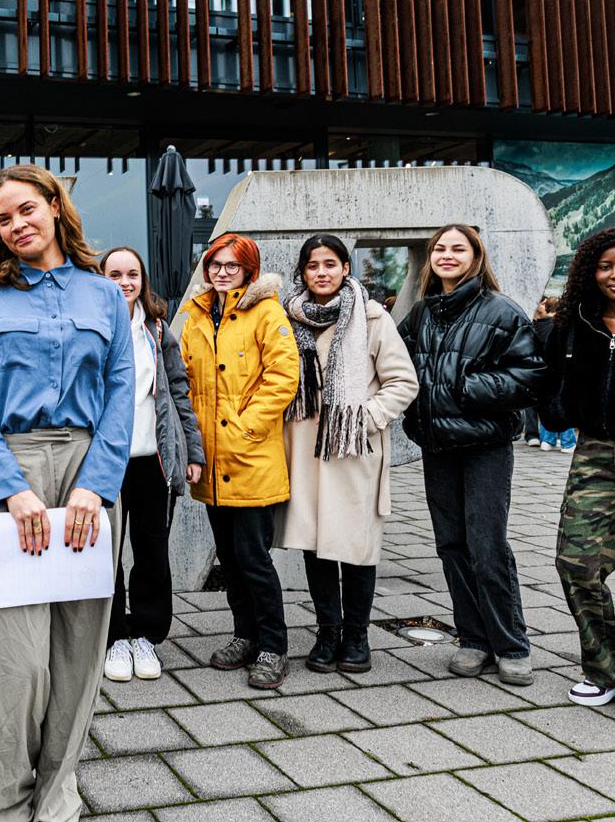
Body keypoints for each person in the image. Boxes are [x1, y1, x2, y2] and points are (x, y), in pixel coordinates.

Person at [0, 165, 134, 822]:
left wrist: (98, 482)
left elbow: (122, 386)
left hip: (89, 476)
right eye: (3, 219)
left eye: (27, 209)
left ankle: (58, 801)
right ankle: (3, 802)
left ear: (56, 208)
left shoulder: (103, 293)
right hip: (10, 470)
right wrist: (10, 488)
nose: (17, 225)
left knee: (77, 654)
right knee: (15, 659)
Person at [400, 223, 544, 686]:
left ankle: (511, 644)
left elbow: (530, 376)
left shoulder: (501, 311)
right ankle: (473, 639)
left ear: (476, 257)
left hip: (485, 446)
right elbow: (395, 362)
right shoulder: (422, 313)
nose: (446, 255)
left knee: (487, 546)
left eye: (457, 248)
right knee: (451, 545)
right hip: (437, 445)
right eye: (439, 248)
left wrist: (463, 386)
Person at [275, 235, 418, 675]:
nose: (321, 272)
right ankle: (327, 632)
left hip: (353, 450)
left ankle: (357, 636)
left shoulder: (371, 317)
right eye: (313, 265)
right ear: (302, 272)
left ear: (345, 268)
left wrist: (364, 418)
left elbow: (403, 381)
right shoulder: (288, 318)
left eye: (330, 264)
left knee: (356, 545)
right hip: (304, 450)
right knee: (315, 545)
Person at [539, 227, 615, 725]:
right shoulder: (574, 324)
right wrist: (556, 409)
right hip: (593, 452)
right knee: (577, 563)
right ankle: (606, 667)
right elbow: (549, 379)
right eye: (605, 266)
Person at [180, 235, 300, 690]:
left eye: (232, 265)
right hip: (212, 462)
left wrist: (246, 427)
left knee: (253, 559)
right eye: (216, 264)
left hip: (250, 457)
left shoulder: (266, 311)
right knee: (229, 560)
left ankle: (273, 646)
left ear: (250, 270)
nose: (222, 272)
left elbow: (283, 376)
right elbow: (186, 378)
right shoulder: (196, 314)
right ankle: (244, 635)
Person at [99, 246, 204, 682]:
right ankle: (112, 638)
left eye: (132, 275)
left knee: (152, 553)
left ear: (143, 281)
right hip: (104, 463)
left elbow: (179, 391)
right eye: (115, 274)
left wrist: (192, 452)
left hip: (152, 461)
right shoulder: (92, 327)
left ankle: (146, 635)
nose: (124, 282)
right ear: (101, 278)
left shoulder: (157, 330)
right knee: (104, 555)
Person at [530, 298, 576, 451]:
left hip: (541, 370)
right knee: (563, 404)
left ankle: (547, 440)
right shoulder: (560, 326)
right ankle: (568, 442)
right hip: (560, 370)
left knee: (547, 402)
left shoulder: (537, 326)